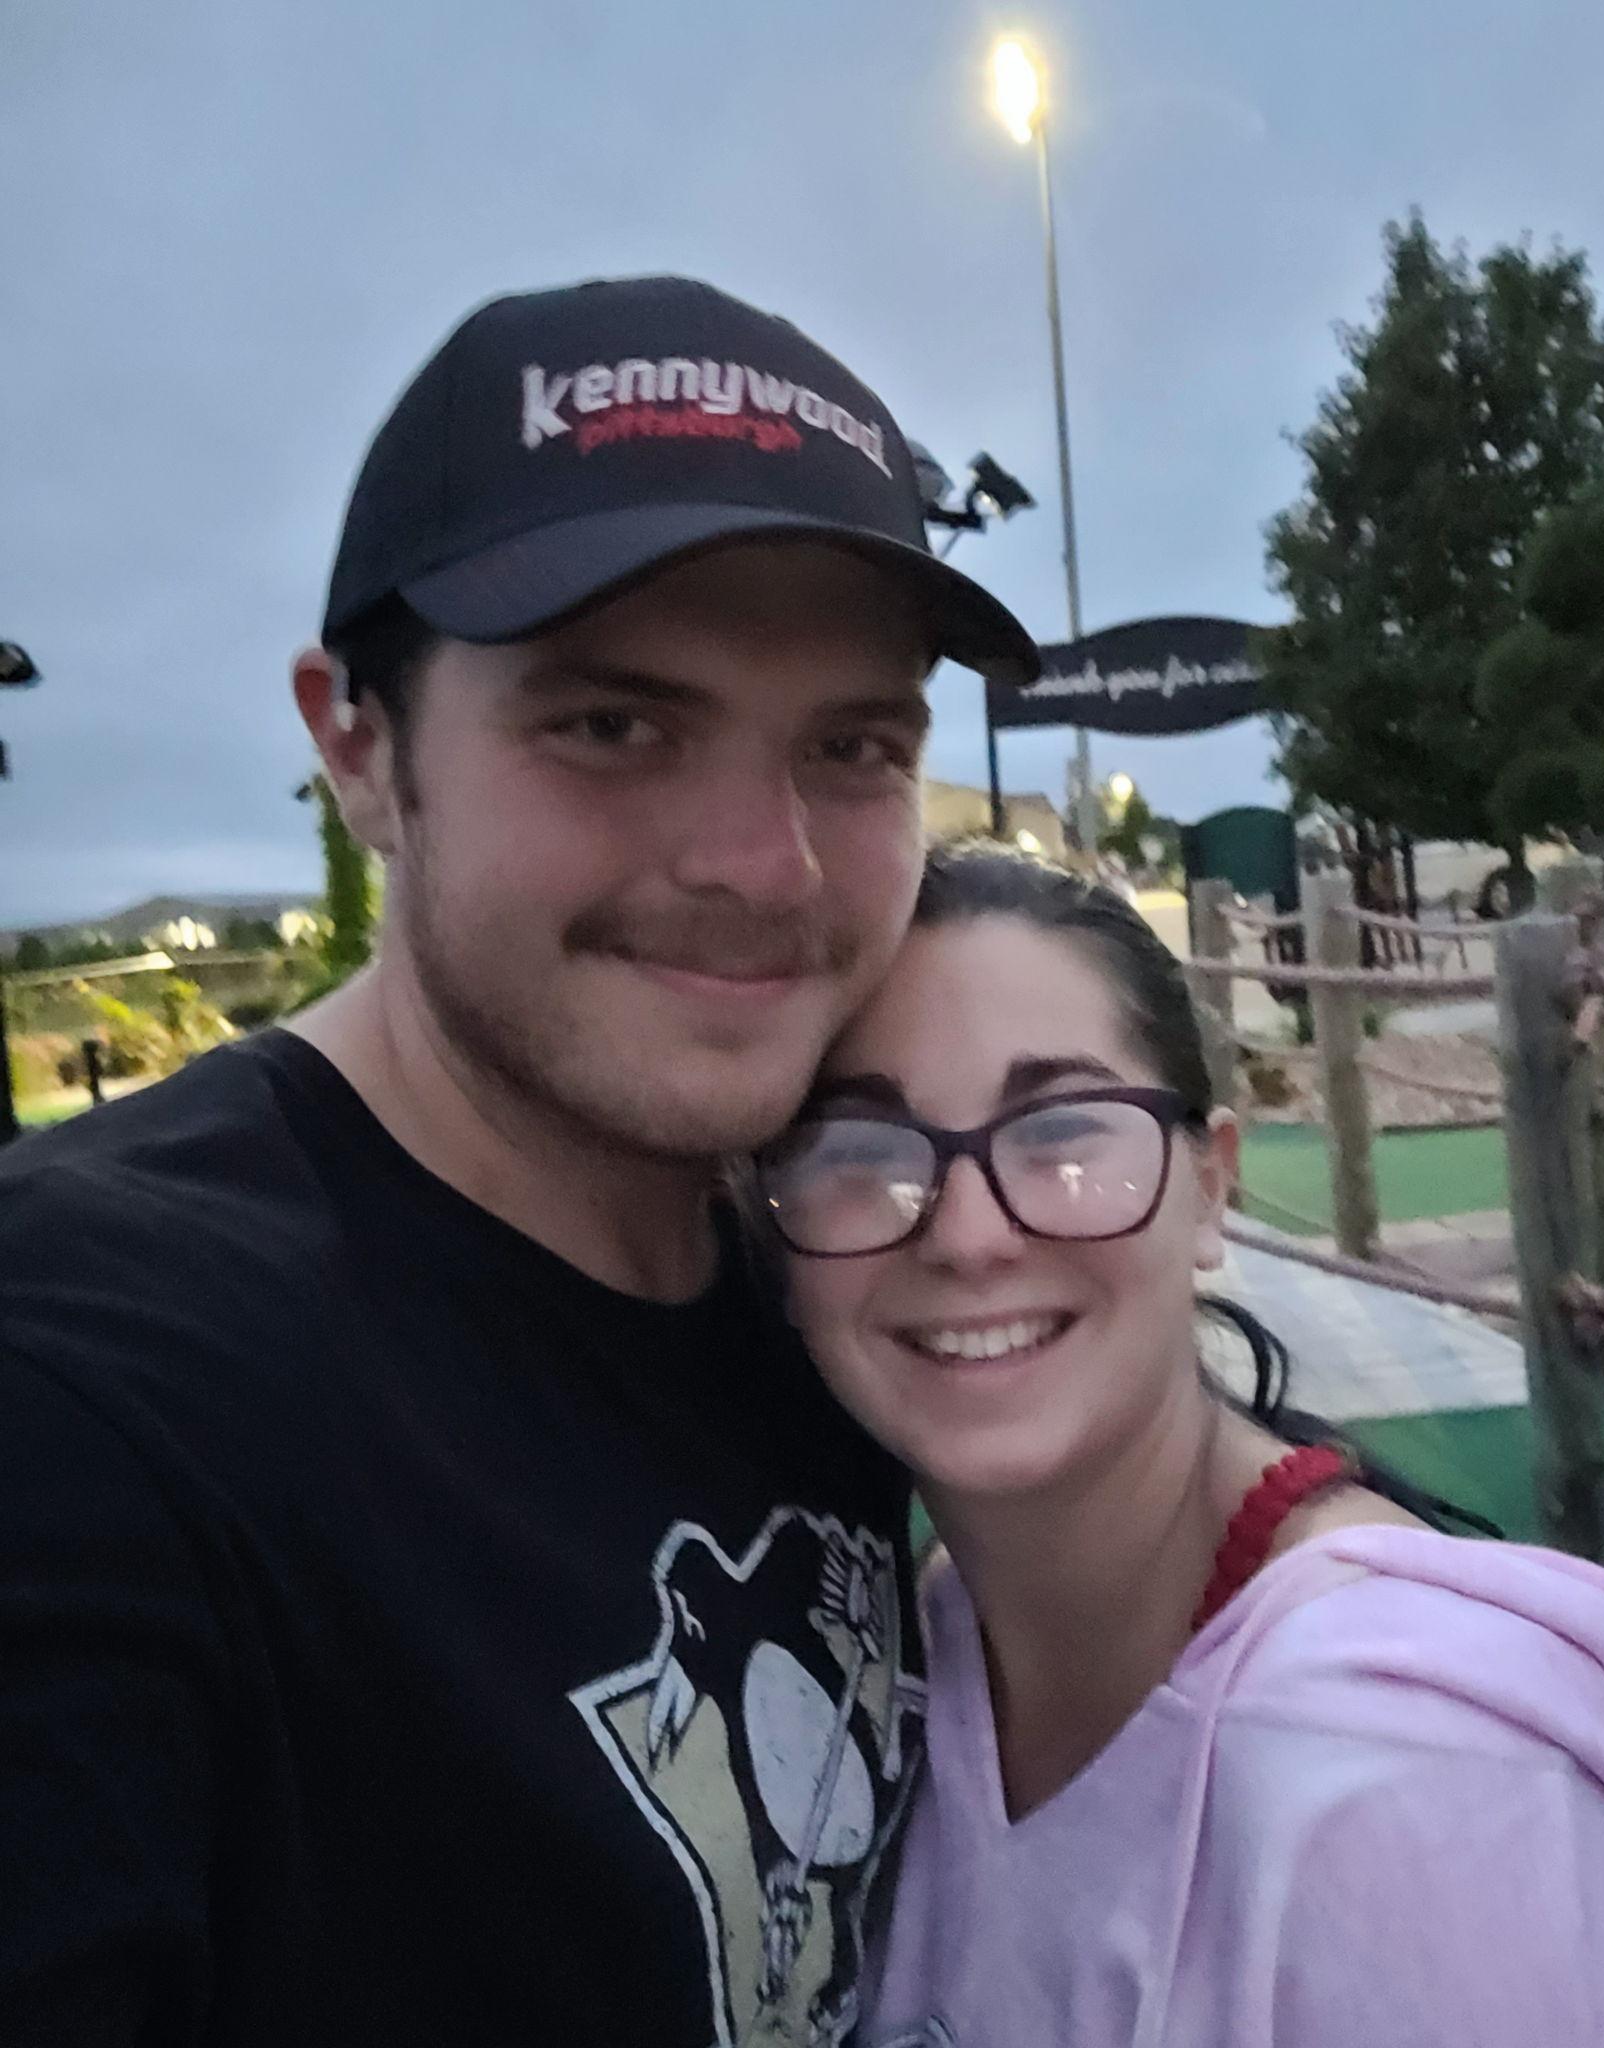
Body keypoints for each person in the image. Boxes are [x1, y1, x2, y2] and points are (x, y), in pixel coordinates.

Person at [0, 277, 1039, 2044]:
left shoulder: (818, 1258)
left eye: (851, 745)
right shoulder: (87, 1385)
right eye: (612, 723)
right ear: (360, 746)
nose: (764, 863)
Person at [759, 845, 1604, 2046]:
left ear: (1210, 1188)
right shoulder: (907, 1652)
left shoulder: (1412, 1775)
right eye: (859, 1152)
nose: (965, 1234)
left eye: (1058, 1130)